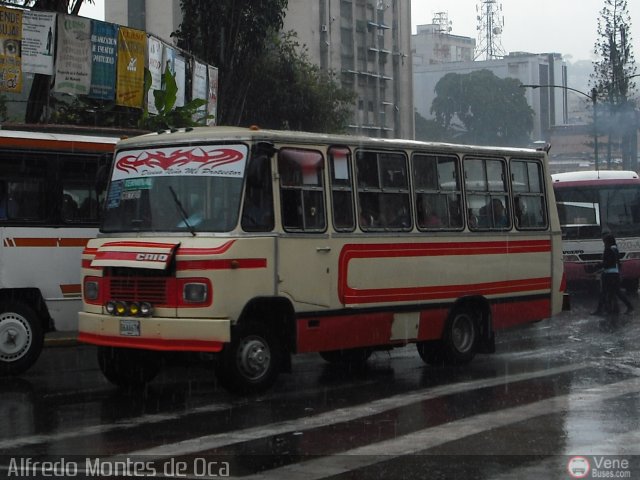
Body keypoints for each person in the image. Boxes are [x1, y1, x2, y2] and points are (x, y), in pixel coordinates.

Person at [592, 232, 634, 315]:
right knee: (615, 292)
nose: (603, 243)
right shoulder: (615, 249)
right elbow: (616, 263)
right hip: (615, 274)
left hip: (608, 275)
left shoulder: (608, 250)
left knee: (604, 292)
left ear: (607, 242)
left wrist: (597, 266)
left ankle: (601, 310)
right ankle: (616, 309)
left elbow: (607, 263)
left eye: (604, 241)